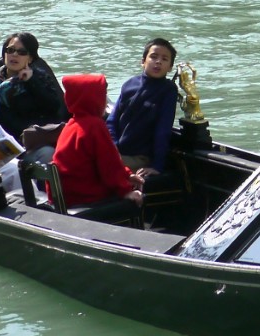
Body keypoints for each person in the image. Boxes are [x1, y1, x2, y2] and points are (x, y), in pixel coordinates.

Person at [52, 73, 147, 209]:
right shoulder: (95, 126)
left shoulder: (72, 124)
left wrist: (127, 174)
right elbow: (108, 166)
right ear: (93, 99)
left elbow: (110, 163)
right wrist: (126, 190)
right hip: (83, 195)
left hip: (67, 192)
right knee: (138, 196)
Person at [110, 38, 180, 184]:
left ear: (170, 67)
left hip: (139, 157)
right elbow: (112, 121)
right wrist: (113, 146)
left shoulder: (168, 91)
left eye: (164, 59)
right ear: (143, 61)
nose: (158, 62)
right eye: (153, 57)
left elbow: (163, 130)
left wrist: (157, 166)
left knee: (99, 167)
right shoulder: (129, 84)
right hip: (117, 151)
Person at [0, 31, 68, 144]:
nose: (15, 55)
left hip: (32, 141)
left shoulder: (40, 79)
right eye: (10, 50)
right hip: (0, 141)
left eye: (22, 52)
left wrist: (31, 81)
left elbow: (53, 108)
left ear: (30, 58)